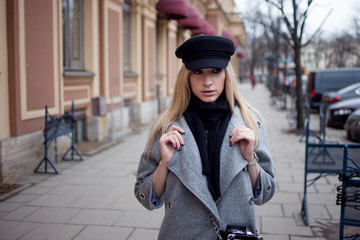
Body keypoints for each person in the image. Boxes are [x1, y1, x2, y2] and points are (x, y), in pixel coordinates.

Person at [134, 35, 275, 239]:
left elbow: (265, 194)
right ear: (187, 77)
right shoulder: (166, 126)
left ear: (226, 75)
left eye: (216, 71)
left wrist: (250, 159)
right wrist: (165, 163)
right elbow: (145, 197)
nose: (207, 82)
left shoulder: (250, 122)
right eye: (197, 72)